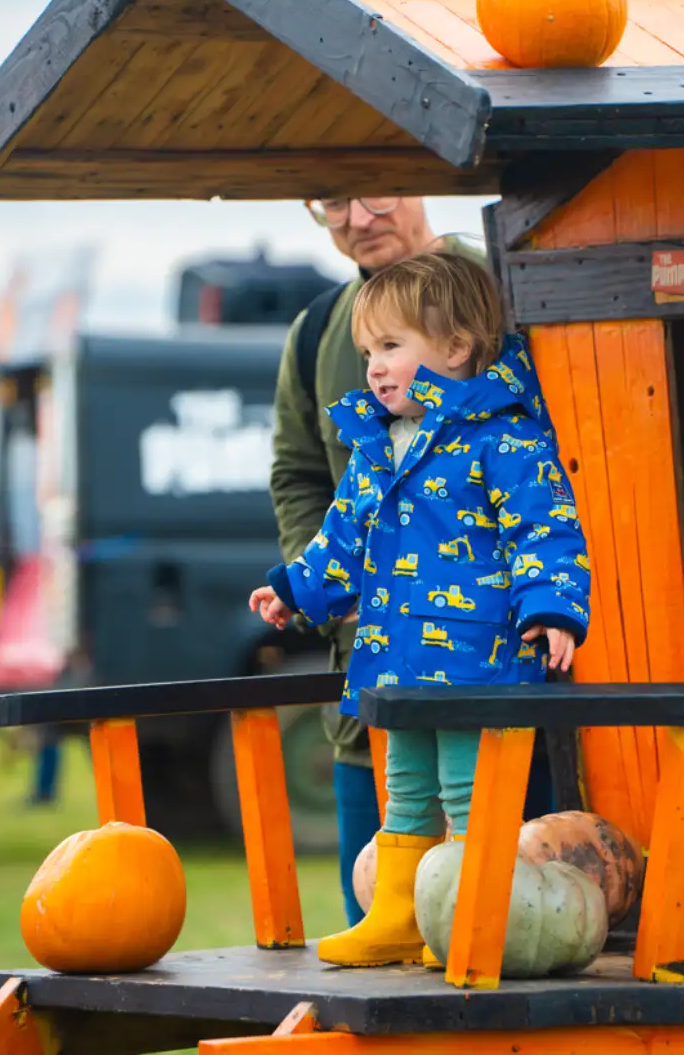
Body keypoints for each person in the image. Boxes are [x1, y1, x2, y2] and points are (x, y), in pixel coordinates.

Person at [252, 251, 591, 967]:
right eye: (368, 351)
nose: (374, 366)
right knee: (405, 791)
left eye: (390, 346)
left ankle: (471, 919)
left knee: (467, 795)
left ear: (456, 348)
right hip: (397, 659)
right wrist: (295, 589)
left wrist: (553, 609)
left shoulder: (505, 436)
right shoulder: (379, 446)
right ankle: (404, 916)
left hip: (478, 661)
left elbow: (545, 529)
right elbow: (342, 539)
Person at [269, 196, 437, 927]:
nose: (359, 216)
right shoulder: (314, 332)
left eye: (379, 188)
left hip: (497, 691)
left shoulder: (494, 282)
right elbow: (301, 476)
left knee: (499, 912)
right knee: (375, 925)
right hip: (366, 687)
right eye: (333, 199)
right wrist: (318, 587)